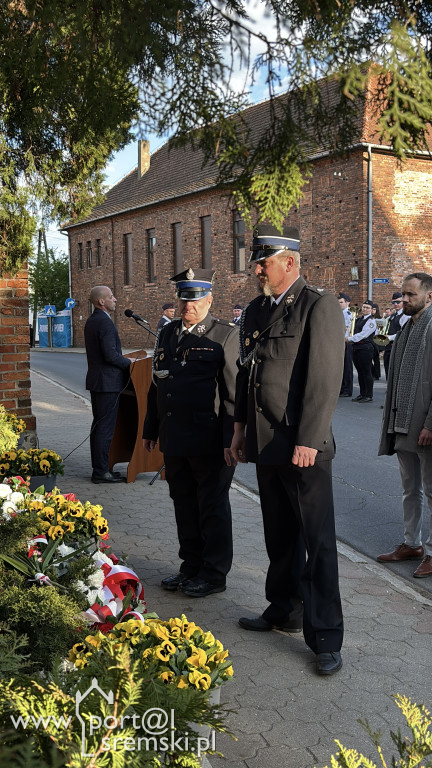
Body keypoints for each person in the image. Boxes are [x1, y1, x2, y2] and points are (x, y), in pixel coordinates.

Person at [229, 224, 345, 676]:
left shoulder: (318, 306)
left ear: (289, 262)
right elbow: (246, 376)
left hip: (302, 447)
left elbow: (323, 380)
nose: (256, 269)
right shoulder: (257, 310)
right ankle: (284, 608)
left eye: (263, 261)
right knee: (279, 535)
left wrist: (308, 440)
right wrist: (238, 431)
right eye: (257, 261)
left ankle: (326, 637)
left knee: (317, 543)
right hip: (264, 443)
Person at [143, 268, 239, 597]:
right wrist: (151, 427)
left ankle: (214, 574)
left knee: (211, 507)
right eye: (184, 300)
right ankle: (191, 566)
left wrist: (231, 440)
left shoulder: (224, 335)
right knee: (183, 504)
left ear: (210, 301)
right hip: (175, 437)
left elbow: (233, 394)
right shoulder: (168, 333)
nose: (189, 307)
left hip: (211, 441)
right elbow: (159, 383)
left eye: (197, 301)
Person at [377, 273, 432, 578]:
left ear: (429, 296)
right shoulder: (406, 326)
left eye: (411, 295)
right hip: (403, 421)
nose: (404, 300)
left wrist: (431, 424)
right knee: (410, 488)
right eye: (403, 295)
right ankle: (413, 543)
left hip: (425, 425)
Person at [84, 285, 133, 483]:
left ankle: (101, 468)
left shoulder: (93, 320)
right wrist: (131, 364)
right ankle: (101, 472)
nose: (115, 300)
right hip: (107, 383)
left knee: (99, 426)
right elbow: (111, 355)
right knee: (104, 428)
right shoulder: (103, 323)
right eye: (112, 297)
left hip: (99, 382)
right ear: (101, 301)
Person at [348, 299, 377, 402]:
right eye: (364, 307)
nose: (365, 309)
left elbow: (363, 335)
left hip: (366, 348)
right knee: (360, 372)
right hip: (357, 348)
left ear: (371, 310)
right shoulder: (359, 319)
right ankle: (362, 393)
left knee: (366, 372)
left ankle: (369, 395)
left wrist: (349, 339)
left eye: (367, 308)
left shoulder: (371, 321)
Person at [383, 292, 409, 379]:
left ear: (403, 302)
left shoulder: (405, 315)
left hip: (397, 346)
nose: (396, 304)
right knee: (388, 371)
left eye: (398, 302)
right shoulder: (393, 315)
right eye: (394, 302)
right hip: (388, 347)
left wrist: (389, 337)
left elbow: (403, 332)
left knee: (395, 373)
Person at [338, 292, 353, 397]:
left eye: (341, 302)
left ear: (347, 303)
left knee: (347, 367)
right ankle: (342, 388)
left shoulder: (349, 314)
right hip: (339, 342)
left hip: (346, 342)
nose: (339, 304)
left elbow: (348, 328)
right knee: (341, 367)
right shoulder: (339, 313)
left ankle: (347, 389)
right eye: (338, 302)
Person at [371, 303, 382, 380]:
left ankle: (377, 374)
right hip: (370, 339)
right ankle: (373, 372)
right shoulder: (369, 318)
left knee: (376, 358)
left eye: (374, 309)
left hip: (377, 339)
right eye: (372, 309)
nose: (373, 311)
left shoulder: (379, 319)